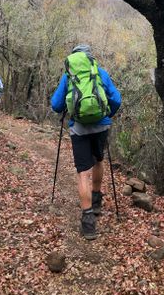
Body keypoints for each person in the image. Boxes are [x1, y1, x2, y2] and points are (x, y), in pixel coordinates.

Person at [51, 44, 121, 240]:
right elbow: (116, 99)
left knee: (83, 172)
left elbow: (56, 105)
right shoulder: (100, 73)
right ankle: (97, 200)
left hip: (79, 129)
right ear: (90, 58)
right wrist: (108, 115)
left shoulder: (69, 76)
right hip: (101, 126)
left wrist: (69, 107)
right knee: (99, 160)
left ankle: (88, 222)